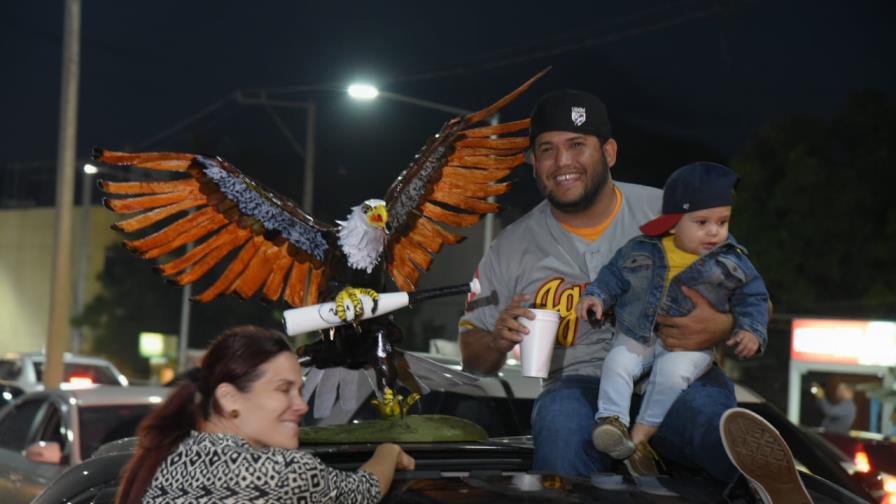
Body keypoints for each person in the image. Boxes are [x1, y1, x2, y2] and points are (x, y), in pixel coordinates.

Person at [458, 89, 739, 481]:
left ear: (608, 152)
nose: (562, 162)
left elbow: (754, 297)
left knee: (714, 423)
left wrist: (723, 324)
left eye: (577, 145)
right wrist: (496, 340)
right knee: (559, 421)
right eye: (547, 149)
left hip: (675, 374)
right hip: (580, 387)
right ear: (533, 163)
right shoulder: (509, 248)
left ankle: (761, 486)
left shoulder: (669, 214)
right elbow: (473, 355)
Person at [576, 161, 770, 474]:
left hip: (690, 346)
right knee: (618, 362)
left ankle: (639, 438)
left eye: (722, 222)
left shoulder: (733, 262)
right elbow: (613, 276)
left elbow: (755, 298)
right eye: (702, 222)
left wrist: (751, 330)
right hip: (641, 331)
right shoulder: (642, 248)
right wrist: (596, 296)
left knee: (671, 375)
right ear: (674, 222)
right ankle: (612, 421)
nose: (714, 231)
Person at [115, 325, 414, 504]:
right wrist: (388, 452)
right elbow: (363, 490)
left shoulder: (167, 461)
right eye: (284, 389)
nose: (301, 405)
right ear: (230, 398)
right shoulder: (282, 472)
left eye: (300, 390)